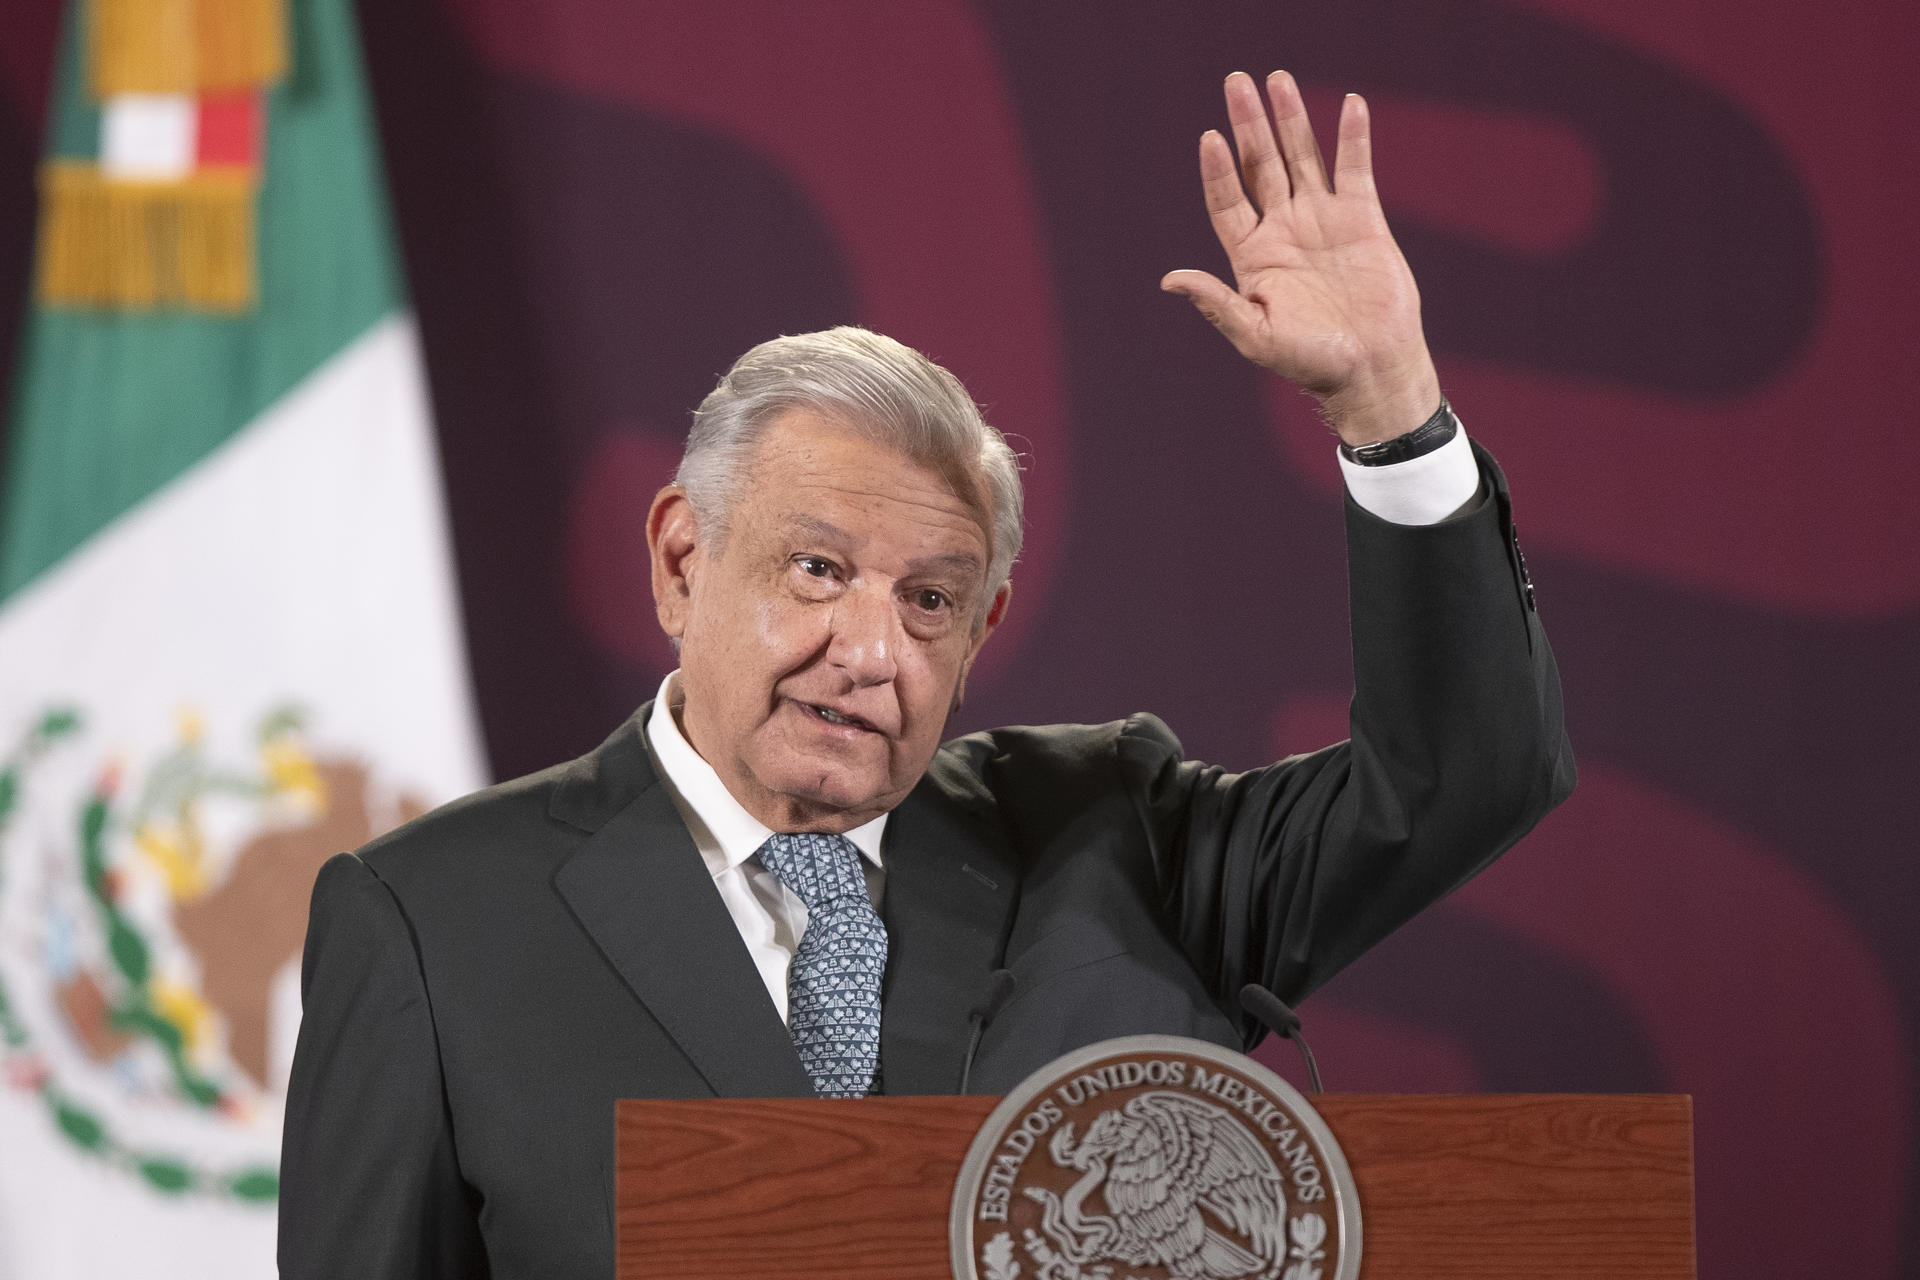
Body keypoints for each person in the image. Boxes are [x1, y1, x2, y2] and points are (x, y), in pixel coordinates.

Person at [278, 71, 1573, 1279]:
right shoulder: (434, 923)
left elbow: (1471, 779)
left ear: (985, 625)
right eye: (819, 571)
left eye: (931, 600)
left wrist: (1391, 409)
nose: (872, 651)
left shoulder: (1118, 836)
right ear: (682, 560)